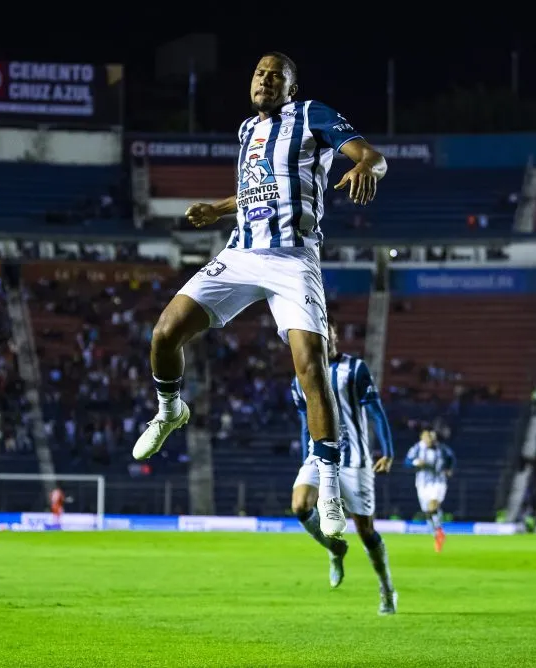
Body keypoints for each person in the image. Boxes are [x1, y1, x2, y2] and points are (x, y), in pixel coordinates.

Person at [131, 51, 387, 539]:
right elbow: (260, 191)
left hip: (294, 259)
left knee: (311, 367)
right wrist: (219, 208)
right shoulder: (248, 130)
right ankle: (169, 412)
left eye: (276, 76)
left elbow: (372, 155)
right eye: (259, 73)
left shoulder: (311, 114)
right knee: (164, 334)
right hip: (243, 253)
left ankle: (330, 484)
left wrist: (366, 169)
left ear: (291, 88)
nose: (265, 80)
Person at [290, 316, 397, 614]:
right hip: (318, 454)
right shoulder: (300, 376)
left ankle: (386, 588)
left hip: (356, 460)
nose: (327, 338)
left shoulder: (356, 369)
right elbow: (304, 423)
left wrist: (387, 450)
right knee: (300, 505)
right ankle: (335, 548)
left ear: (335, 336)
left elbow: (376, 411)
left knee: (365, 530)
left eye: (330, 332)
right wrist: (305, 460)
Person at [404, 430, 456, 552]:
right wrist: (416, 463)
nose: (430, 440)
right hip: (422, 483)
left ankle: (439, 532)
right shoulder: (416, 448)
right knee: (427, 511)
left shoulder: (442, 449)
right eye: (427, 437)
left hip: (438, 481)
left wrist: (449, 469)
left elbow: (451, 458)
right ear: (422, 437)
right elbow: (406, 462)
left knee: (433, 504)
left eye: (431, 437)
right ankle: (437, 533)